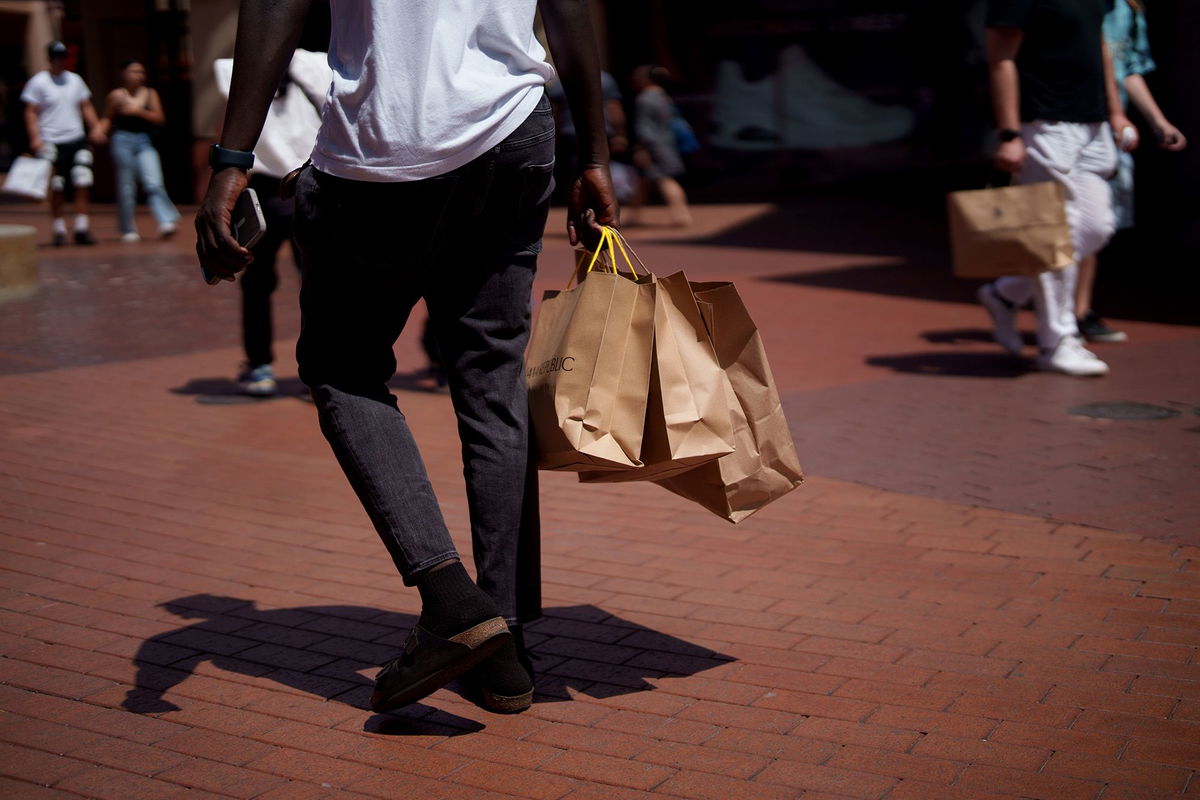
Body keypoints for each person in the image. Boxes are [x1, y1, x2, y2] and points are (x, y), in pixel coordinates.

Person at [195, 1, 616, 715]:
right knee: (492, 380)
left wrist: (232, 160)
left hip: (384, 150)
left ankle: (453, 601)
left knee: (342, 369)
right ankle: (505, 648)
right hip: (514, 132)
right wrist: (599, 153)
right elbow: (572, 5)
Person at [976, 0, 1135, 377]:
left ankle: (1006, 292)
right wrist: (1011, 133)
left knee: (1097, 227)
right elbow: (1001, 59)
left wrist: (1115, 111)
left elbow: (1099, 46)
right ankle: (1056, 343)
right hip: (1044, 122)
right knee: (1054, 234)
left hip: (1093, 123)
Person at [213, 49, 331, 397]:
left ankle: (282, 366)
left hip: (300, 186)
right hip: (281, 189)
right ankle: (288, 367)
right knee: (293, 283)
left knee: (301, 283)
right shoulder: (314, 65)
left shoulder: (308, 65)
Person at [1075, 0, 1187, 343]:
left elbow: (1127, 68)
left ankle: (1078, 310)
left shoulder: (1129, 9)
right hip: (1080, 123)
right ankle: (1059, 309)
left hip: (1114, 130)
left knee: (1098, 226)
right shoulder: (1079, 7)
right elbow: (1099, 62)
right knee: (1081, 223)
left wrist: (1157, 121)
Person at [21, 41, 104, 246]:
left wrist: (96, 127)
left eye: (63, 57)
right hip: (51, 139)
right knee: (56, 185)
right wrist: (35, 138)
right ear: (50, 58)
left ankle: (81, 227)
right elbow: (30, 111)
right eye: (56, 57)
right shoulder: (39, 82)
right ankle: (58, 228)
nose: (60, 61)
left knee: (82, 180)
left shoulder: (75, 80)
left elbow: (85, 106)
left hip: (75, 138)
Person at [98, 60, 181, 242]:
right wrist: (99, 131)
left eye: (141, 72)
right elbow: (107, 118)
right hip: (122, 140)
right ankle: (127, 228)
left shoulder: (150, 94)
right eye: (134, 71)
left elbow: (159, 118)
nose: (138, 75)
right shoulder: (116, 95)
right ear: (124, 73)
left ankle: (166, 220)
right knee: (126, 186)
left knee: (154, 181)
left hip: (144, 141)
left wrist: (138, 111)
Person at [628, 65, 693, 228]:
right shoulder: (663, 97)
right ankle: (633, 216)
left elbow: (644, 128)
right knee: (643, 181)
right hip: (667, 143)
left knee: (665, 179)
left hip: (654, 146)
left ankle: (681, 214)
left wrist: (642, 148)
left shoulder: (644, 98)